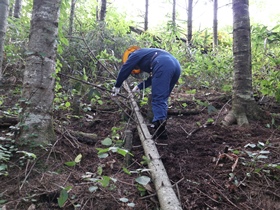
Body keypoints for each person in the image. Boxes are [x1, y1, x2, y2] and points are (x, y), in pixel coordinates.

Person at [112, 47, 181, 139]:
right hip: (175, 65)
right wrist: (140, 86)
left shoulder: (134, 55)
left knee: (158, 99)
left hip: (163, 64)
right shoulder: (148, 54)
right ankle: (159, 124)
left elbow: (126, 68)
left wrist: (117, 85)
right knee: (163, 98)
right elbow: (156, 76)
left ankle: (160, 131)